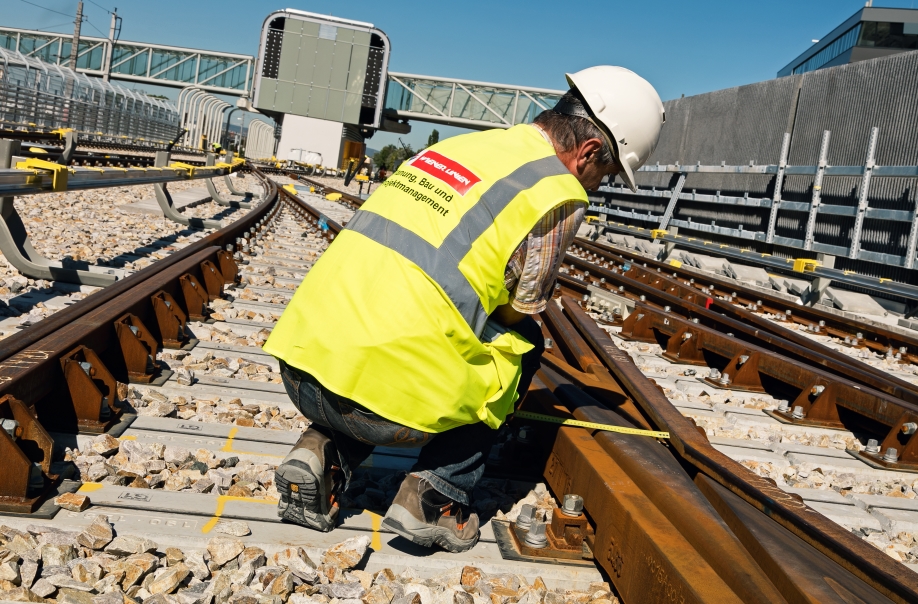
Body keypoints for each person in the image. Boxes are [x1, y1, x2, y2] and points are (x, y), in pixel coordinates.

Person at [263, 66, 665, 553]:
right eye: (607, 173)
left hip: (301, 366)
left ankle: (322, 451)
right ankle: (436, 495)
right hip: (382, 405)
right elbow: (522, 307)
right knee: (523, 347)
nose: (600, 186)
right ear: (590, 152)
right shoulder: (558, 192)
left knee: (386, 341)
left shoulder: (457, 148)